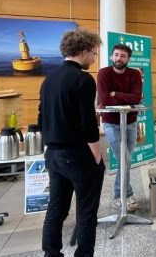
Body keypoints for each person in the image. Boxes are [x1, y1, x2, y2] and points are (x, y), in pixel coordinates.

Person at [38, 28, 104, 257]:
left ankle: (51, 253)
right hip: (78, 155)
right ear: (84, 51)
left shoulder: (48, 80)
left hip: (53, 155)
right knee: (86, 212)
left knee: (55, 209)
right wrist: (97, 155)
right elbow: (88, 123)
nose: (95, 58)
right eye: (94, 53)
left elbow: (41, 119)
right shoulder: (83, 80)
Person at [97, 43, 143, 211]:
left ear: (128, 59)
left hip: (130, 122)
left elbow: (137, 98)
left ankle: (122, 194)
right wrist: (125, 97)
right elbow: (105, 99)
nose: (119, 58)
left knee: (126, 161)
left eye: (123, 56)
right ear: (111, 56)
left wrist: (115, 94)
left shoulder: (135, 74)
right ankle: (124, 195)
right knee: (125, 160)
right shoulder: (103, 73)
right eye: (116, 55)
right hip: (111, 122)